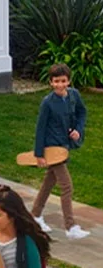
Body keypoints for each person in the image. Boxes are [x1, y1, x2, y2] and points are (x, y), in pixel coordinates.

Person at [30, 63, 89, 240]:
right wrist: (39, 154)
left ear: (68, 81)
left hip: (64, 146)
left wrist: (78, 129)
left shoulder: (74, 96)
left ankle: (35, 215)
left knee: (48, 183)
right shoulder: (47, 103)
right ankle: (70, 227)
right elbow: (40, 128)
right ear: (51, 82)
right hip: (52, 148)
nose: (59, 85)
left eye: (63, 81)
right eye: (56, 81)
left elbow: (82, 112)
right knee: (66, 186)